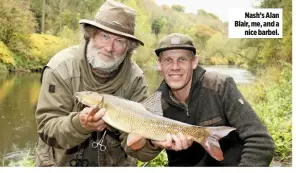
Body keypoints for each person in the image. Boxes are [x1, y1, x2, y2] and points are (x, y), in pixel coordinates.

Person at [34, 0, 158, 167]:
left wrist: (153, 143)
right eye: (104, 36)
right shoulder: (60, 68)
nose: (109, 47)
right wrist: (80, 124)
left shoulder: (135, 79)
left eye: (120, 41)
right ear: (91, 34)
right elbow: (47, 129)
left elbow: (137, 149)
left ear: (128, 48)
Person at [126, 33, 275, 166]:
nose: (175, 67)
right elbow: (138, 153)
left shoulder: (220, 86)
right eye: (168, 60)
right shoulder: (155, 103)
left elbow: (261, 142)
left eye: (182, 59)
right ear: (159, 65)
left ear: (194, 62)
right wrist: (154, 143)